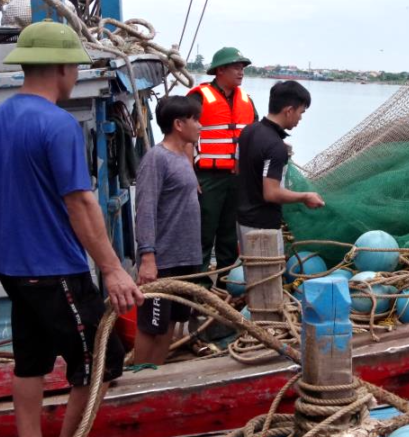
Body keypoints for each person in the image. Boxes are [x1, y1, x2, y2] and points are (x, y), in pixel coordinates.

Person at [0, 20, 142, 437]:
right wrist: (112, 270)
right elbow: (80, 201)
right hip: (52, 266)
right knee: (102, 359)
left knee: (31, 359)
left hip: (10, 264)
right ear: (64, 68)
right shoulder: (58, 124)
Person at [133, 96, 203, 365]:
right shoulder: (156, 159)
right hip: (164, 260)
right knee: (152, 324)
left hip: (186, 257)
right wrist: (148, 257)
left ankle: (156, 374)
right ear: (178, 124)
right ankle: (140, 378)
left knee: (172, 322)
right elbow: (146, 209)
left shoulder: (183, 157)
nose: (199, 126)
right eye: (195, 120)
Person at [187, 47, 258, 275]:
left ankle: (229, 283)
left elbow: (254, 136)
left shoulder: (247, 100)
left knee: (229, 234)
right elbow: (184, 138)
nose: (241, 72)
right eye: (236, 67)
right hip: (207, 177)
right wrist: (190, 176)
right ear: (220, 70)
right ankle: (199, 286)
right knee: (203, 233)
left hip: (236, 178)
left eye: (243, 68)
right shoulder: (199, 97)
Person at [236, 81, 324, 255]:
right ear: (289, 110)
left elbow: (240, 169)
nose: (300, 118)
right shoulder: (275, 146)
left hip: (242, 220)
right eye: (301, 112)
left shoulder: (248, 131)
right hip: (263, 228)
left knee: (252, 278)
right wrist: (305, 196)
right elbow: (271, 193)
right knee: (267, 280)